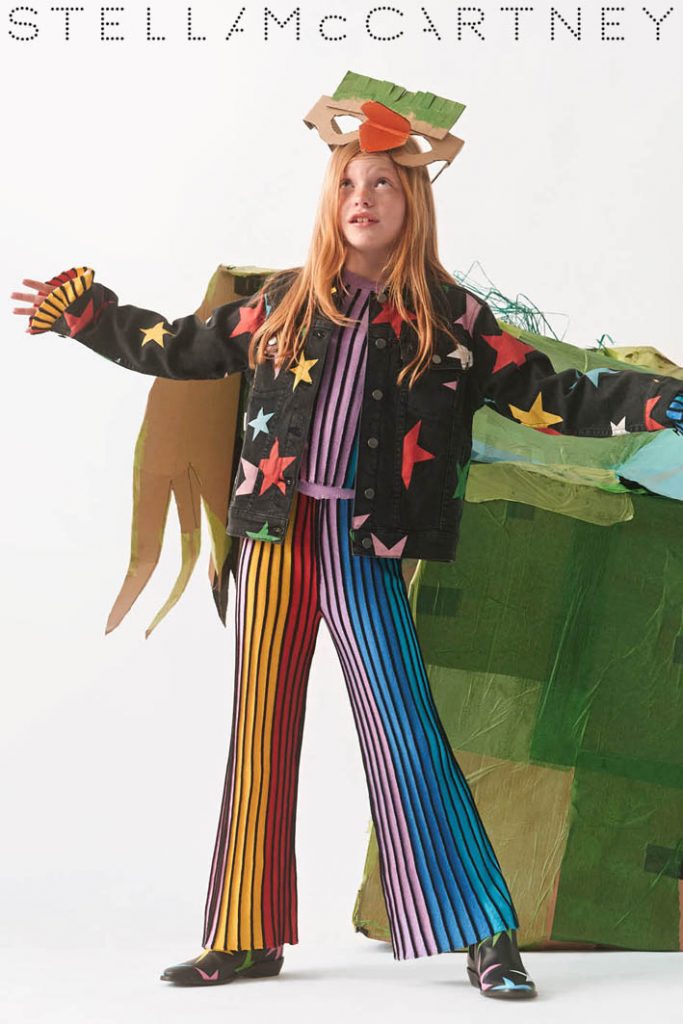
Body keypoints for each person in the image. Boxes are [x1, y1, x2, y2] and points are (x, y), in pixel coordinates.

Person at [11, 72, 683, 1002]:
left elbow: (552, 395)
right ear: (329, 203)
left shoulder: (453, 321)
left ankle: (483, 933)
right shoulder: (281, 304)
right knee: (258, 730)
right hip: (272, 537)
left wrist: (655, 401)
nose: (362, 198)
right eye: (347, 184)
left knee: (403, 731)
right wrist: (88, 316)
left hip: (367, 542)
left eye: (382, 183)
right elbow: (178, 347)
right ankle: (242, 934)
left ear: (413, 202)